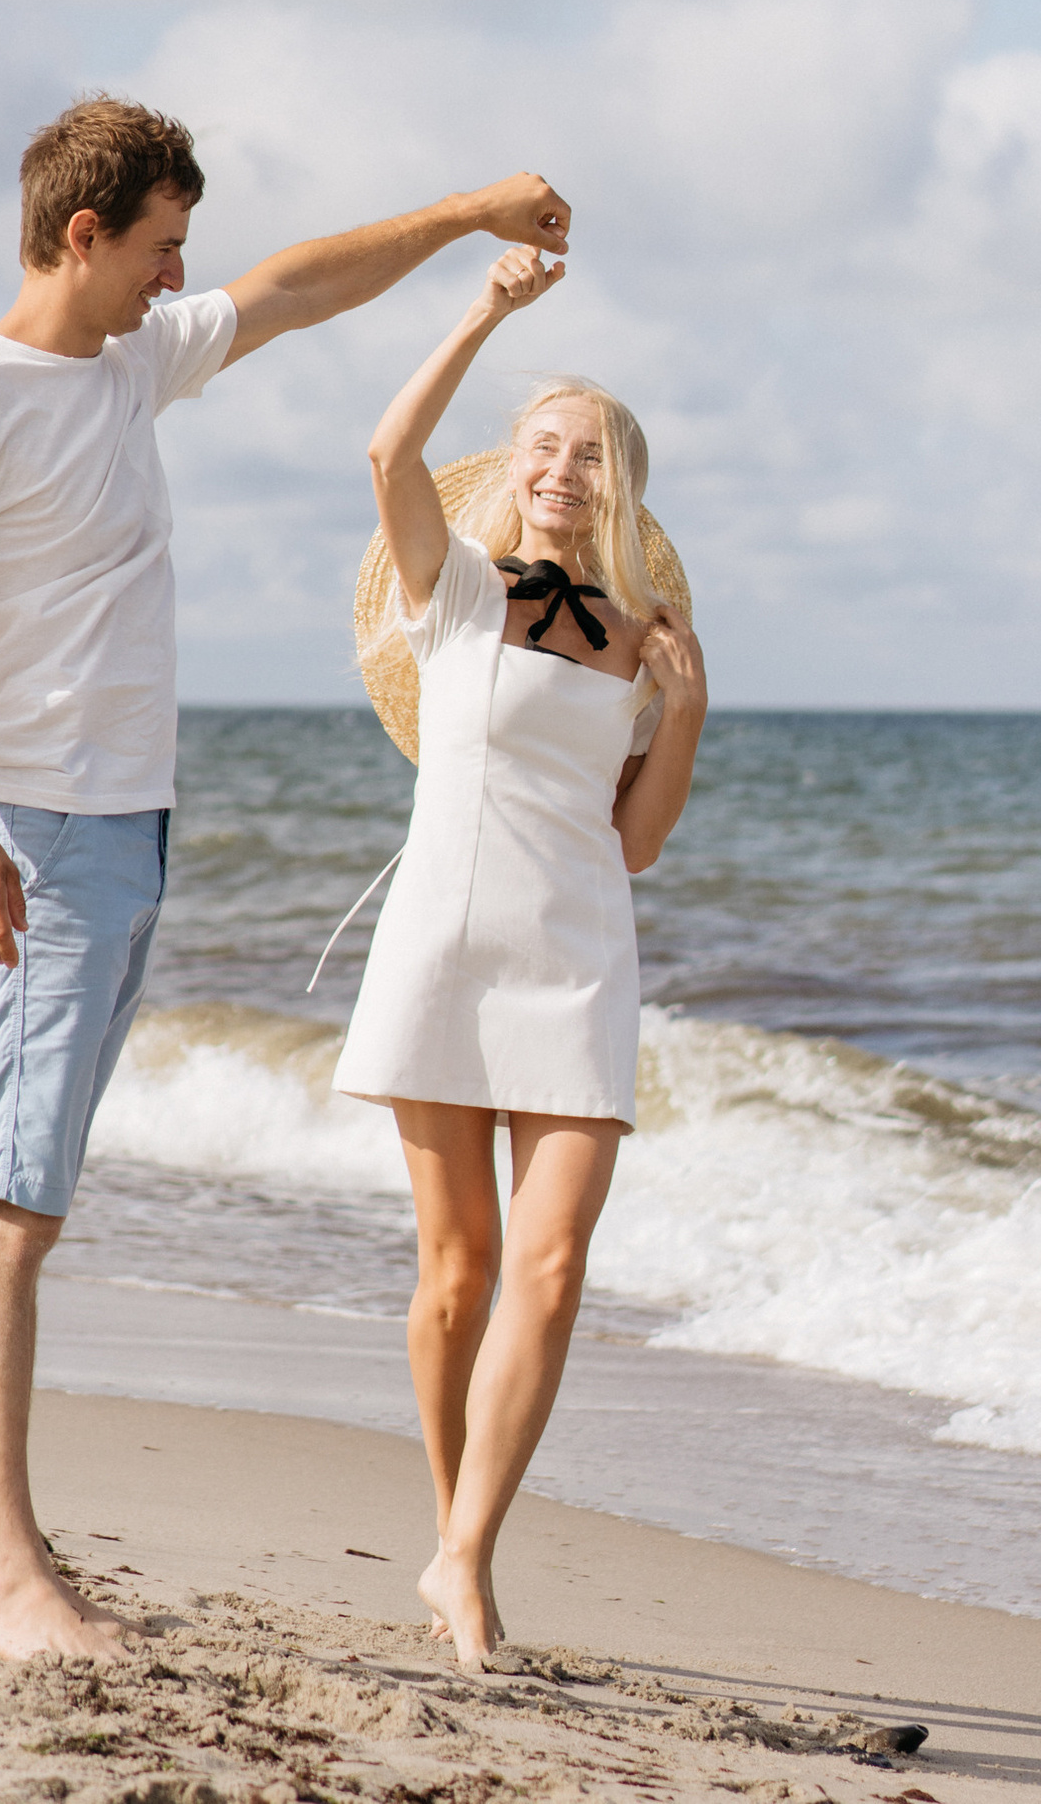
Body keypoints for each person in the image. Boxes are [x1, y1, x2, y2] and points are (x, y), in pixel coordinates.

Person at [0, 96, 572, 1663]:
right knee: (6, 1200)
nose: (181, 279)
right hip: (35, 836)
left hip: (128, 837)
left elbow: (306, 285)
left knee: (24, 1192)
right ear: (84, 231)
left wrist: (464, 213)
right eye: (163, 246)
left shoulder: (130, 362)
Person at [330, 243, 707, 1671]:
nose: (561, 467)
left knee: (548, 1267)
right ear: (514, 465)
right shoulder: (458, 589)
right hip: (443, 940)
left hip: (578, 957)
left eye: (591, 454)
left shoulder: (640, 640)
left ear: (623, 488)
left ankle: (468, 1554)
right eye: (544, 445)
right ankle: (456, 1548)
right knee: (456, 1269)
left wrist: (688, 709)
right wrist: (486, 308)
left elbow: (642, 839)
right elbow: (388, 446)